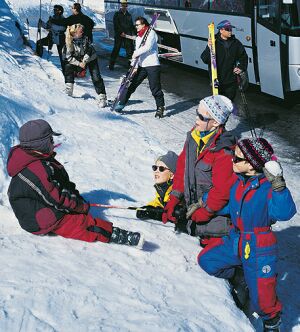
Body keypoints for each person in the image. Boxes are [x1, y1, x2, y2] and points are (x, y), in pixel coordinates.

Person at [198, 138, 297, 332]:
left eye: (237, 158)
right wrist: (204, 203)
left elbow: (285, 213)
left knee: (263, 299)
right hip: (236, 239)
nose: (232, 161)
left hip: (259, 246)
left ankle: (271, 322)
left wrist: (278, 185)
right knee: (207, 260)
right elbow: (231, 204)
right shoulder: (240, 182)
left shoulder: (268, 188)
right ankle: (241, 277)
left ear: (252, 165)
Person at [7, 119, 144, 248]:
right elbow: (58, 198)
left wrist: (78, 201)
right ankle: (118, 235)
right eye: (50, 140)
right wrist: (80, 207)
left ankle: (76, 209)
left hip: (43, 203)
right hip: (38, 218)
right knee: (81, 225)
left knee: (73, 206)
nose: (53, 142)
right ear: (41, 144)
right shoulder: (36, 169)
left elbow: (62, 183)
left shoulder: (39, 159)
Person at [162, 95, 236, 247]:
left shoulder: (224, 152)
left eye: (201, 117)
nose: (196, 120)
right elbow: (183, 168)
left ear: (215, 122)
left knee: (211, 253)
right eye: (197, 113)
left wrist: (205, 212)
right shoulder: (194, 136)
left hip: (214, 213)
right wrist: (175, 197)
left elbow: (222, 192)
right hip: (193, 207)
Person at [115, 16, 166, 119]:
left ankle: (160, 107)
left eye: (137, 25)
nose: (136, 27)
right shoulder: (139, 37)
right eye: (135, 25)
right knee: (131, 84)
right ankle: (122, 103)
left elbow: (147, 47)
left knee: (155, 88)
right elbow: (138, 50)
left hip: (152, 65)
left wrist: (135, 53)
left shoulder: (151, 33)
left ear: (143, 25)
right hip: (141, 65)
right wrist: (133, 63)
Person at [200, 19, 248, 100]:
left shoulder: (236, 43)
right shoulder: (214, 42)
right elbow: (204, 59)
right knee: (219, 105)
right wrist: (209, 48)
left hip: (231, 81)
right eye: (228, 29)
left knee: (229, 104)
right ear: (221, 30)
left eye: (231, 29)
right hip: (217, 81)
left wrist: (241, 67)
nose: (230, 31)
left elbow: (243, 57)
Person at [62, 24, 107, 107]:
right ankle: (69, 89)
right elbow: (68, 58)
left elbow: (89, 51)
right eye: (80, 31)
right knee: (68, 67)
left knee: (96, 76)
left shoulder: (86, 39)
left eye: (82, 31)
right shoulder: (68, 44)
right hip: (78, 61)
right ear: (74, 34)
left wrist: (84, 62)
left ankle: (102, 97)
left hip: (91, 59)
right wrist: (79, 64)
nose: (82, 32)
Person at [136, 151, 178, 221]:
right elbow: (158, 203)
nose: (156, 171)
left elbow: (176, 214)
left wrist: (156, 214)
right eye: (155, 167)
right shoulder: (162, 190)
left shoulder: (178, 192)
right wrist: (147, 208)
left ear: (172, 175)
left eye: (161, 169)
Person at [35, 4, 66, 73]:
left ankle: (65, 71)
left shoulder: (63, 19)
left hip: (60, 39)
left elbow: (63, 28)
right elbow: (47, 26)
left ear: (60, 11)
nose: (54, 11)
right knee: (39, 42)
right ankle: (38, 59)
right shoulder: (52, 18)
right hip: (51, 37)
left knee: (62, 56)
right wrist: (41, 23)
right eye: (54, 9)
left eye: (56, 10)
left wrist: (52, 25)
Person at [109, 0, 135, 70]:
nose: (124, 7)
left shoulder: (129, 15)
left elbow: (131, 25)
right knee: (116, 50)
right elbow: (116, 25)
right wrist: (121, 32)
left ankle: (130, 66)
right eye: (122, 5)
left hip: (127, 35)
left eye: (125, 5)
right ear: (120, 6)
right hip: (119, 35)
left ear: (126, 6)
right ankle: (111, 64)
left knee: (129, 51)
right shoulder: (117, 14)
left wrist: (135, 33)